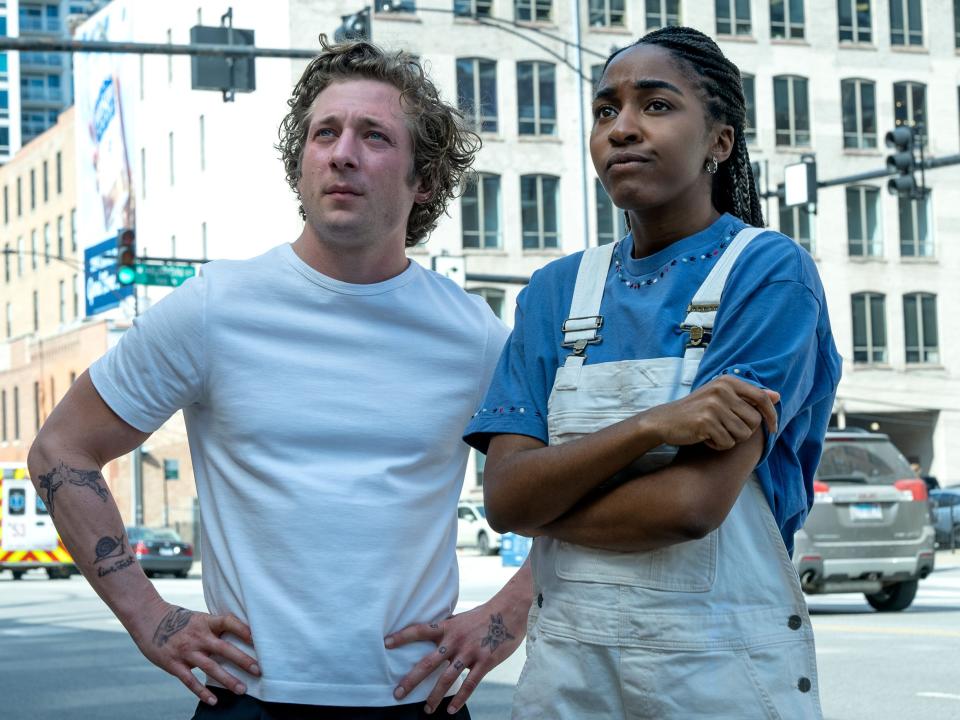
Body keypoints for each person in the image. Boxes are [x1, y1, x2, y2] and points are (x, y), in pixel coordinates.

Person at [28, 40, 536, 719]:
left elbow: (570, 485)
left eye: (374, 136)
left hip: (417, 700)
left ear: (425, 181)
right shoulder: (217, 308)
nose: (342, 153)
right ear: (300, 166)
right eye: (324, 133)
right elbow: (60, 448)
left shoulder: (473, 334)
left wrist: (508, 612)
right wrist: (148, 616)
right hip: (248, 697)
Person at [465, 26, 842, 719]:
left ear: (720, 142)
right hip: (565, 685)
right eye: (606, 110)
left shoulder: (770, 275)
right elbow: (505, 502)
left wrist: (548, 500)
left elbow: (688, 507)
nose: (622, 128)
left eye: (657, 106)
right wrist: (652, 427)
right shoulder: (553, 293)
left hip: (723, 682)